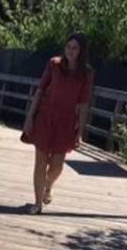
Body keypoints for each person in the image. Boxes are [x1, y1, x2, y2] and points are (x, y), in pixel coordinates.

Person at [22, 33, 94, 214]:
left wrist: (80, 131)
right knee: (40, 162)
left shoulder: (86, 73)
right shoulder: (54, 64)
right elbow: (39, 91)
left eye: (75, 48)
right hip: (45, 117)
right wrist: (30, 117)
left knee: (56, 165)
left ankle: (48, 185)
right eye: (68, 47)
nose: (70, 51)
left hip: (66, 121)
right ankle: (37, 203)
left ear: (81, 51)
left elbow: (84, 103)